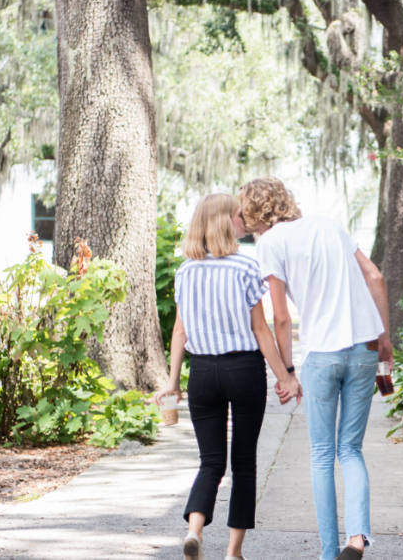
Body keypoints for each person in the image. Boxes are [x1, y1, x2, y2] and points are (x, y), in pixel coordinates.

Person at [237, 177, 392, 560]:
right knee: (351, 450)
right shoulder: (328, 224)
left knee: (322, 454)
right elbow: (375, 277)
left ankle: (328, 553)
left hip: (324, 352)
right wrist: (384, 339)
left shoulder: (270, 244)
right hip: (365, 348)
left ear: (257, 212)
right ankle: (356, 539)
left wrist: (287, 372)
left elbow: (281, 318)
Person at [152, 193, 301, 560]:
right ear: (223, 222)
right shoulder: (245, 267)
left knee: (210, 462)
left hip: (202, 372)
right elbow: (262, 331)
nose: (244, 220)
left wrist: (172, 383)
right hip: (243, 370)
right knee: (244, 462)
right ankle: (233, 552)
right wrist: (285, 376)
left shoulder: (185, 271)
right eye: (238, 215)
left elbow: (179, 334)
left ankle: (194, 530)